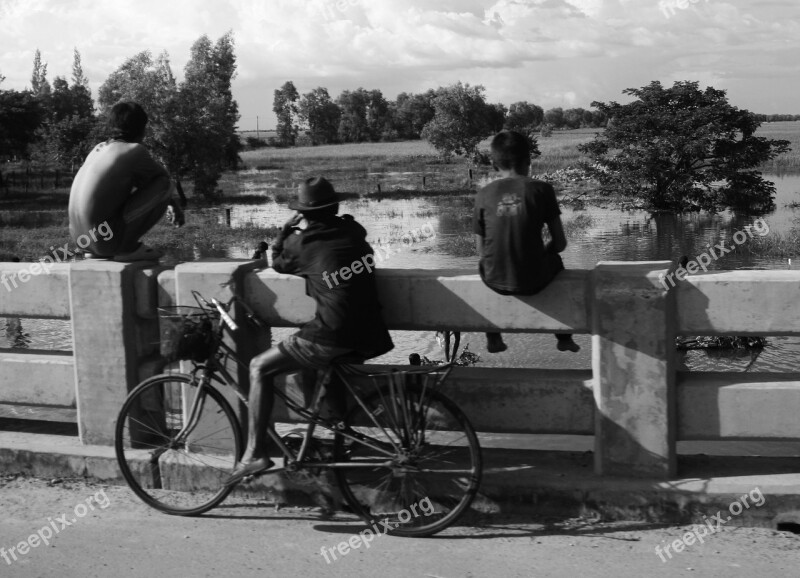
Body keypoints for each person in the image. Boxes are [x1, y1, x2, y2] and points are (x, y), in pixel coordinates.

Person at [225, 176, 394, 486]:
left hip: (334, 333)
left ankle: (254, 453)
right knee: (318, 355)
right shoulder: (354, 234)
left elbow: (276, 262)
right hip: (371, 332)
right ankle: (339, 433)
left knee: (259, 367)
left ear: (303, 213)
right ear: (337, 206)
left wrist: (284, 231)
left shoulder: (301, 243)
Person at [473, 130, 579, 354]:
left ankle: (492, 335)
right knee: (557, 262)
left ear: (493, 164)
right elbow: (559, 244)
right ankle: (563, 336)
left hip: (492, 279)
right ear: (528, 161)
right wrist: (543, 254)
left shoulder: (483, 194)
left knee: (487, 264)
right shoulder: (541, 189)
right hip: (534, 280)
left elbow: (481, 252)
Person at [68, 101, 184, 262]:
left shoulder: (97, 149)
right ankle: (127, 248)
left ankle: (98, 250)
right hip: (104, 239)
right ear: (141, 129)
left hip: (81, 241)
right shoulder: (134, 150)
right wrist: (173, 204)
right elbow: (161, 182)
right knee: (165, 184)